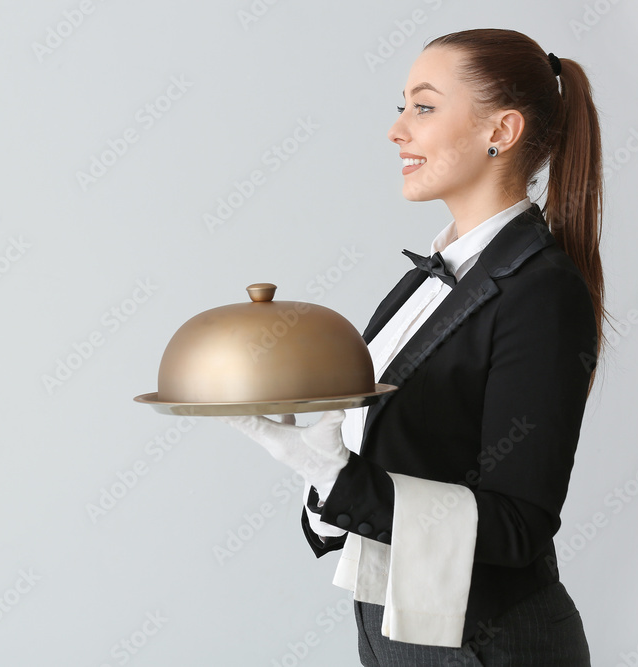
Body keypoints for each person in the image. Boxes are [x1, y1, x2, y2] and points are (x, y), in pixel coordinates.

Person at [218, 28, 609, 666]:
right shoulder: (432, 273)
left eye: (423, 107)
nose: (398, 130)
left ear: (501, 131)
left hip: (489, 644)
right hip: (399, 629)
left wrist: (333, 475)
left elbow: (519, 525)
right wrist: (322, 448)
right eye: (401, 107)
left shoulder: (541, 290)